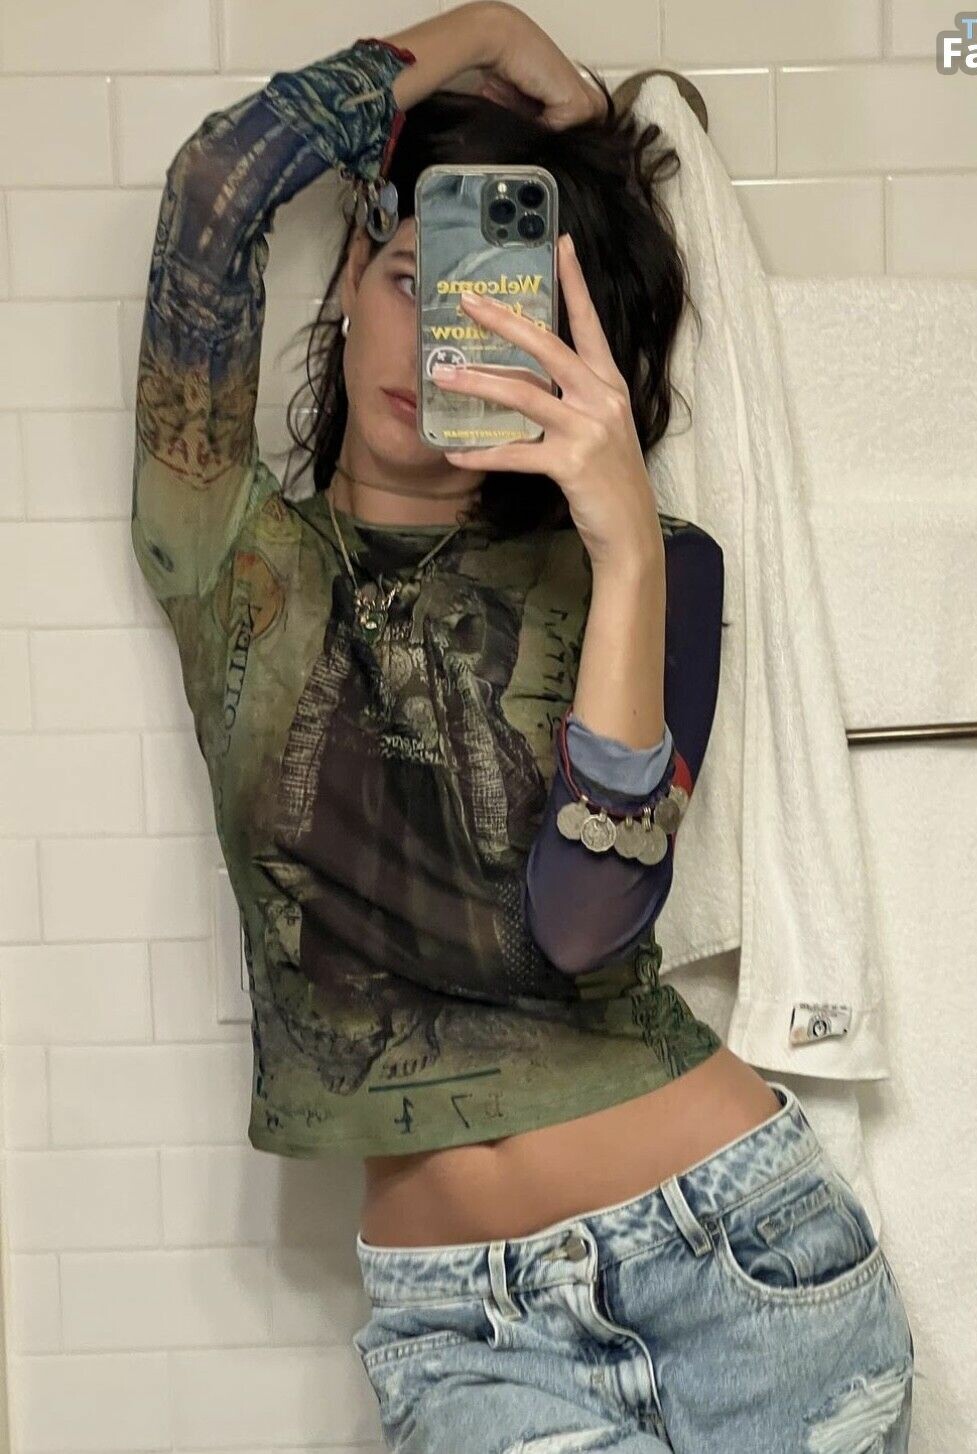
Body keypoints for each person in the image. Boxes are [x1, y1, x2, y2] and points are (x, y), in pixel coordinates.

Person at [130, 3, 915, 1447]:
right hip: (460, 1329)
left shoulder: (655, 572)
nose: (435, 341)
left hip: (746, 1261)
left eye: (502, 318)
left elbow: (585, 923)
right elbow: (218, 187)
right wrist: (487, 30)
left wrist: (624, 545)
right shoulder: (230, 555)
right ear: (352, 278)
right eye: (409, 279)